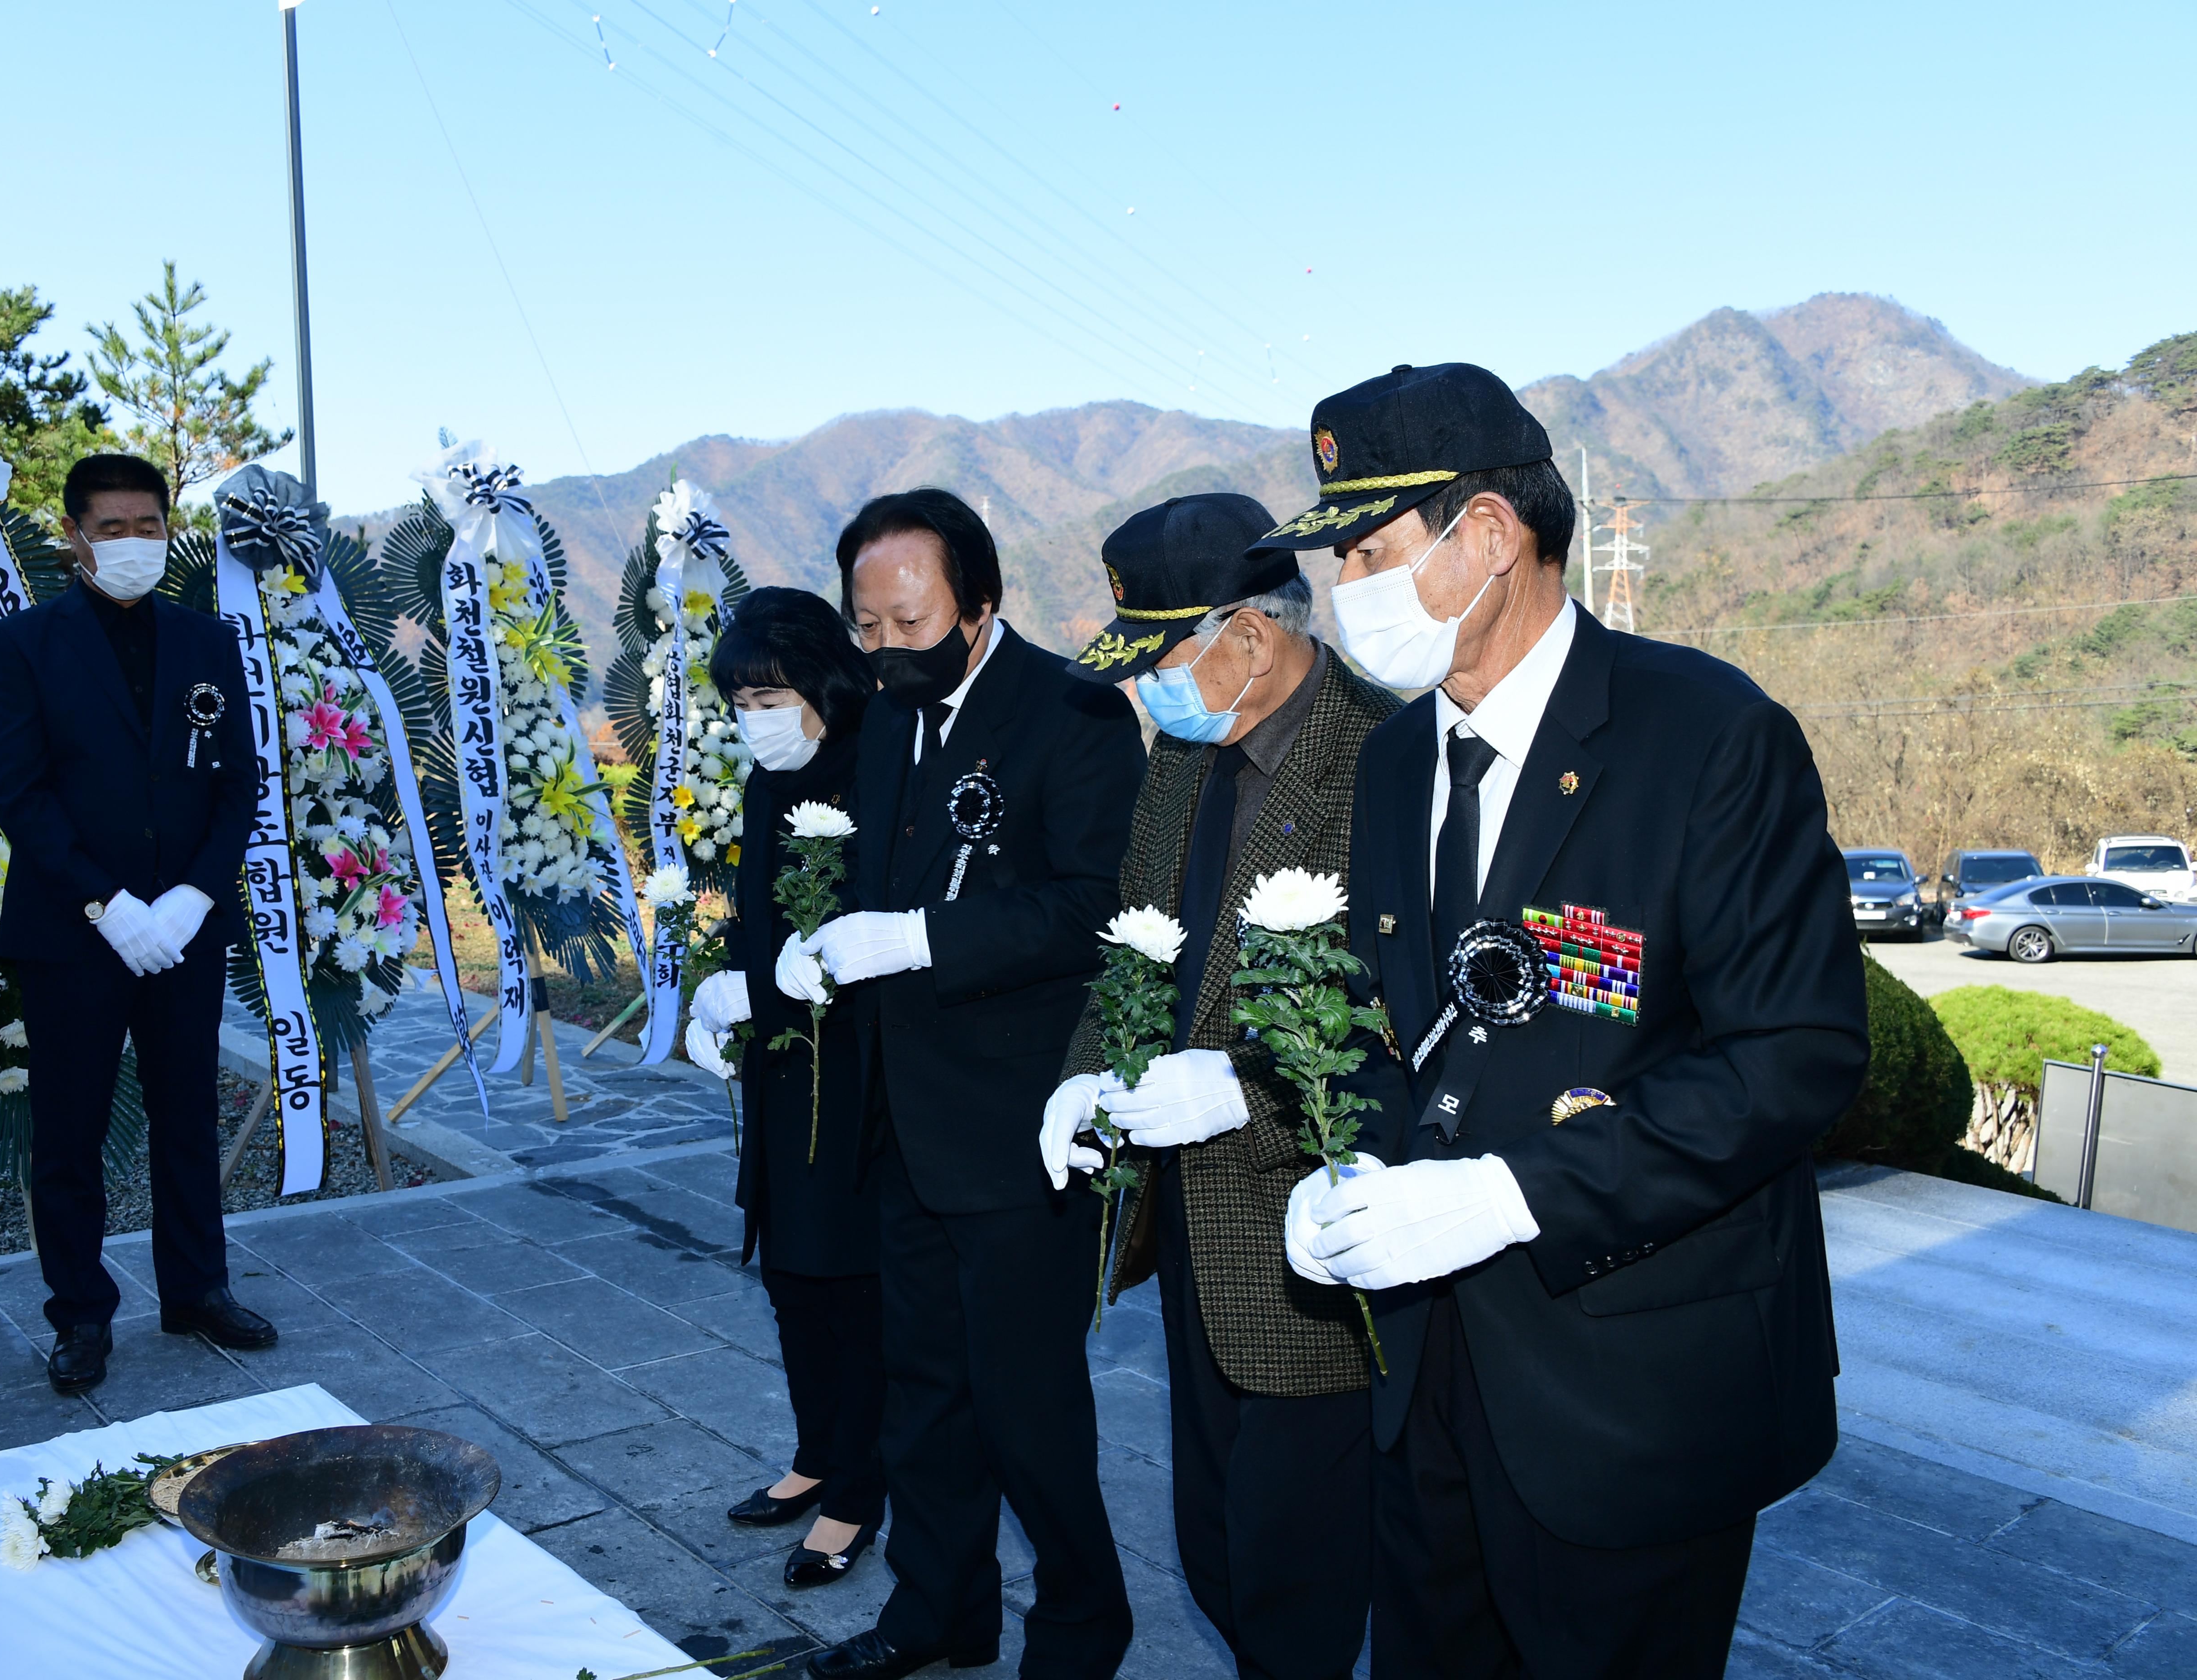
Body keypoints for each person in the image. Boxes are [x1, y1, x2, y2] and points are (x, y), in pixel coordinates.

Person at [1261, 364, 1867, 1679]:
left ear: (1487, 535)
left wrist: (1517, 1193)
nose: (1342, 592)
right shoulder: (1389, 760)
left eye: (1367, 552)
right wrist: (1343, 1172)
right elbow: (1387, 1023)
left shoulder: (1705, 735)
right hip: (1427, 1371)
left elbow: (1796, 1055)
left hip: (1631, 1381)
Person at [779, 489, 1146, 1680]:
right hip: (905, 1117)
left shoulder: (1074, 713)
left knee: (1028, 1411)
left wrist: (925, 939)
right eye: (866, 628)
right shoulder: (889, 716)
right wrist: (818, 939)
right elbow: (871, 868)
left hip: (1018, 1126)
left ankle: (1083, 1627)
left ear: (980, 606)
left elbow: (1098, 909)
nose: (885, 649)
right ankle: (940, 1611)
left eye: (910, 621)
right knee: (923, 1395)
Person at [1036, 495, 1399, 1680]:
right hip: (1193, 1227)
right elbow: (1135, 945)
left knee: (1303, 1569)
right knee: (1216, 1546)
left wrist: (1244, 1086)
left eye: (1159, 659)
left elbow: (1410, 1034)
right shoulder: (1182, 762)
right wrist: (1082, 1079)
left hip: (1316, 1244)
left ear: (1247, 634)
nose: (1143, 691)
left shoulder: (1388, 762)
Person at [0, 454, 273, 1394]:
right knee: (70, 1130)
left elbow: (239, 782)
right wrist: (108, 904)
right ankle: (80, 1314)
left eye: (150, 525)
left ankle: (195, 1286)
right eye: (113, 528)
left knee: (188, 1113)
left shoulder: (207, 640)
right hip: (76, 930)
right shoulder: (25, 642)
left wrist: (192, 894)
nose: (134, 543)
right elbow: (20, 794)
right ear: (74, 536)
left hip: (183, 926)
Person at [685, 586, 890, 1590]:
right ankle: (816, 1452)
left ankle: (860, 1484)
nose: (752, 719)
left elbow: (865, 934)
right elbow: (755, 916)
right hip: (780, 1062)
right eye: (737, 702)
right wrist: (725, 996)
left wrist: (761, 990)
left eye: (768, 695)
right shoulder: (774, 780)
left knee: (849, 1284)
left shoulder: (876, 767)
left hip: (853, 1073)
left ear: (824, 679)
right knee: (788, 1275)